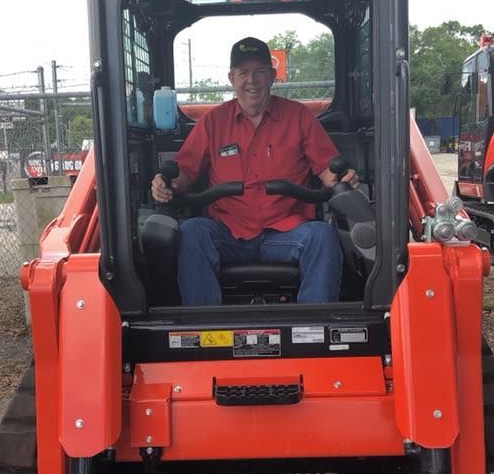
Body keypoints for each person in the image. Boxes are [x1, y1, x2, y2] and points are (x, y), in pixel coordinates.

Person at [151, 37, 359, 305]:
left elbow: (329, 172)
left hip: (286, 233)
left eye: (260, 71)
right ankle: (206, 333)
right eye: (243, 73)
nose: (252, 80)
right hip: (227, 233)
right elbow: (183, 174)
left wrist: (345, 179)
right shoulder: (212, 122)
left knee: (323, 236)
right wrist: (164, 184)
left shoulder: (298, 117)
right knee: (192, 232)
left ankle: (311, 334)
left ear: (272, 76)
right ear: (231, 78)